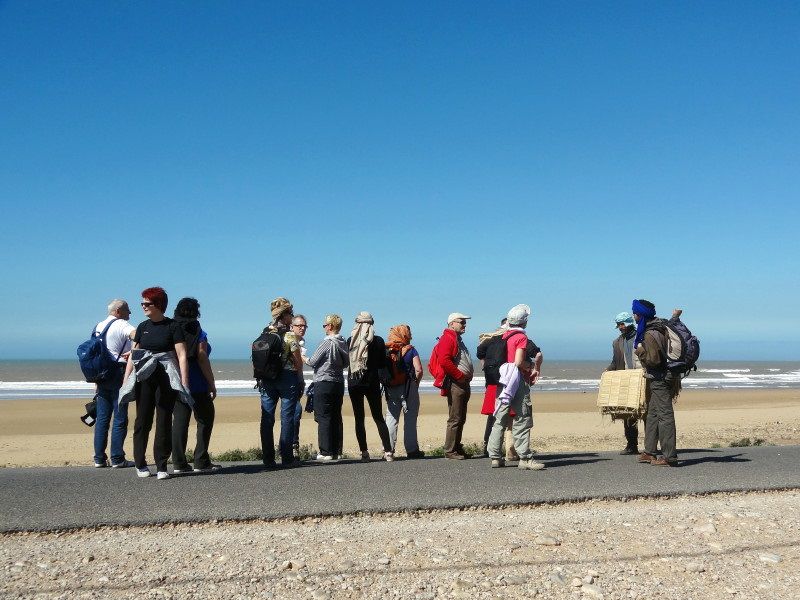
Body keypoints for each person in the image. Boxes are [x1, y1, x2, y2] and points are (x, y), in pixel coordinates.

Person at [120, 287, 191, 480]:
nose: (143, 306)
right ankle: (141, 464)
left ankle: (161, 465)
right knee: (142, 421)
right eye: (142, 303)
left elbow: (181, 355)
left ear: (158, 305)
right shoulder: (142, 327)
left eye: (147, 303)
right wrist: (126, 381)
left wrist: (184, 381)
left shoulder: (173, 326)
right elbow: (134, 356)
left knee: (164, 420)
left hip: (166, 377)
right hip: (144, 377)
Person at [487, 304, 545, 470]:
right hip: (516, 380)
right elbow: (518, 361)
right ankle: (525, 458)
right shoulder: (521, 337)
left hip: (502, 381)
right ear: (524, 322)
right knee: (522, 418)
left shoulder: (502, 335)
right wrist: (531, 366)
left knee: (499, 419)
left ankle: (495, 456)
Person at [170, 298, 219, 474]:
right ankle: (201, 460)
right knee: (205, 419)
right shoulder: (198, 330)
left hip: (175, 381)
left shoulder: (171, 328)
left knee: (180, 421)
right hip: (197, 381)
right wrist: (211, 383)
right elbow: (202, 356)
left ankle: (179, 463)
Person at [632, 299, 679, 467]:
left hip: (660, 377)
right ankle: (649, 451)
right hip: (659, 377)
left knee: (665, 416)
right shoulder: (658, 327)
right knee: (652, 414)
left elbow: (654, 360)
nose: (634, 316)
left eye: (635, 313)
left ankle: (669, 456)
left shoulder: (650, 334)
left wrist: (639, 352)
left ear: (641, 315)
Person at [259, 297, 304, 469]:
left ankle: (268, 458)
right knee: (287, 417)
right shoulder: (289, 335)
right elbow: (297, 360)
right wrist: (300, 378)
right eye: (290, 314)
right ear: (284, 315)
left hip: (267, 379)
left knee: (267, 418)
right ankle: (286, 457)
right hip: (287, 378)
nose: (292, 317)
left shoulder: (265, 332)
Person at [91, 299, 136, 468]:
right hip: (118, 374)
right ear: (118, 311)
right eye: (127, 310)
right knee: (120, 417)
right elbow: (138, 336)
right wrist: (132, 351)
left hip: (101, 375)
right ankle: (117, 458)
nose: (129, 314)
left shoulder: (98, 326)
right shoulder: (122, 324)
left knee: (102, 418)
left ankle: (99, 459)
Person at [347, 311, 394, 462]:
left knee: (359, 418)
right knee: (378, 417)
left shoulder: (350, 340)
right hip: (372, 383)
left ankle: (364, 453)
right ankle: (388, 452)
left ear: (358, 324)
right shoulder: (378, 341)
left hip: (354, 382)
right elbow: (381, 364)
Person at [307, 314, 349, 461]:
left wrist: (301, 356)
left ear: (330, 326)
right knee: (336, 416)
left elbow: (313, 361)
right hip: (338, 382)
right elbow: (346, 363)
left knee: (323, 416)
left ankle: (326, 451)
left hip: (324, 381)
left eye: (325, 325)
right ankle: (336, 450)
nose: (324, 327)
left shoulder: (327, 342)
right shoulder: (342, 342)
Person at [434, 312, 474, 460]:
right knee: (455, 417)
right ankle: (450, 450)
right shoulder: (448, 338)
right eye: (461, 322)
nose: (464, 325)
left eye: (465, 322)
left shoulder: (456, 338)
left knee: (460, 417)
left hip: (462, 382)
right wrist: (459, 376)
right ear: (452, 323)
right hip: (456, 383)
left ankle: (456, 447)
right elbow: (444, 361)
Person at [383, 324, 425, 459]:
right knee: (410, 419)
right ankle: (412, 450)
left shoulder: (387, 349)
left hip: (390, 387)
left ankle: (388, 451)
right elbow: (418, 370)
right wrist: (415, 384)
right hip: (408, 387)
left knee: (391, 418)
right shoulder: (411, 350)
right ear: (406, 334)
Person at [606, 311, 641, 455]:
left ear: (628, 323)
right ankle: (632, 445)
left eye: (621, 324)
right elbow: (615, 362)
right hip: (626, 380)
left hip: (642, 377)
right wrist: (607, 370)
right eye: (618, 325)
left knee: (648, 414)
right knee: (628, 415)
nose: (620, 327)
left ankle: (653, 447)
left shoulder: (641, 337)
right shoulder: (617, 342)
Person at [290, 314, 309, 459]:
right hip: (287, 382)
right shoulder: (289, 341)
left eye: (304, 326)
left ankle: (292, 447)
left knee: (295, 413)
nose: (302, 328)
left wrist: (301, 381)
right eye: (299, 326)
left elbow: (300, 367)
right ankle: (291, 448)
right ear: (292, 326)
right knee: (295, 412)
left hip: (296, 382)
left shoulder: (301, 343)